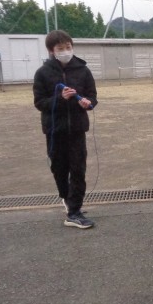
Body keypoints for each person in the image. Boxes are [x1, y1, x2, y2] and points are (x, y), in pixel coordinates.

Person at [33, 30, 98, 229]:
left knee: (78, 169)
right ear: (51, 51)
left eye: (68, 47)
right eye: (60, 48)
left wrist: (87, 103)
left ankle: (74, 211)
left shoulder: (83, 70)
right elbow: (40, 103)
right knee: (59, 169)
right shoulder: (42, 73)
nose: (66, 51)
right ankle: (67, 198)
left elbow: (92, 97)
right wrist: (60, 98)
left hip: (77, 129)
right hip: (55, 131)